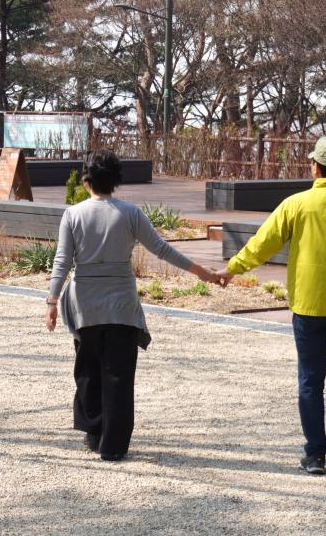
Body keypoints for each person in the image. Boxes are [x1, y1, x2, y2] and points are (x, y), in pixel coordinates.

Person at [215, 135, 326, 476]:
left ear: (315, 167)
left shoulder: (296, 204)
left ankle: (315, 455)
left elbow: (262, 244)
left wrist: (232, 269)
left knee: (310, 379)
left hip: (307, 306)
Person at [45, 150, 224, 462]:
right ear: (116, 181)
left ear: (86, 180)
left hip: (85, 303)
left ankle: (94, 431)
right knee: (118, 375)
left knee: (87, 370)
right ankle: (113, 445)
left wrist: (51, 300)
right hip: (122, 305)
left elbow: (62, 261)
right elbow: (162, 249)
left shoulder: (72, 215)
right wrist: (203, 273)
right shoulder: (130, 213)